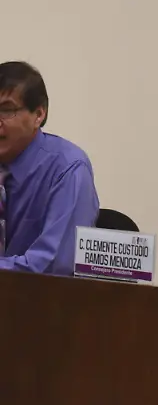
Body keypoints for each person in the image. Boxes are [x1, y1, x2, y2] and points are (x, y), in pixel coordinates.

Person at [0, 61, 100, 275]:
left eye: (6, 110)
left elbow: (54, 266)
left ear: (38, 114)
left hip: (38, 295)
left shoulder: (68, 168)